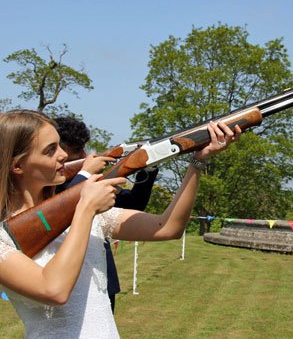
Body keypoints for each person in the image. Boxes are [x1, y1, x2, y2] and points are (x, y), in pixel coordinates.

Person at [0, 109, 241, 338]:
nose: (63, 154)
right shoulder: (5, 237)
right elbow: (54, 290)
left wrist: (197, 162)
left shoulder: (78, 208)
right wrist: (85, 209)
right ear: (18, 165)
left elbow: (167, 227)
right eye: (50, 150)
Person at [54, 116, 159, 313]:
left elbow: (134, 204)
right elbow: (62, 209)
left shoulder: (89, 180)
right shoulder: (47, 187)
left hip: (102, 280)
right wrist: (84, 176)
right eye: (77, 151)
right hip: (61, 281)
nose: (85, 155)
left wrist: (148, 166)